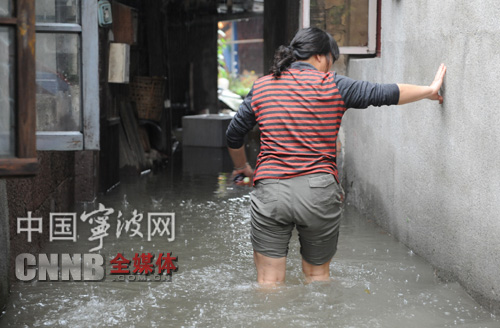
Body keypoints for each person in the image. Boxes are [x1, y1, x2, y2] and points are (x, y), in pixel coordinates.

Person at [225, 27, 446, 286]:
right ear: (320, 56)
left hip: (271, 191)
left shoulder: (262, 87)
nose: (330, 67)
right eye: (331, 59)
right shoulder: (334, 85)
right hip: (319, 192)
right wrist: (429, 90)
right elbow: (384, 93)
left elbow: (233, 133)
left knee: (269, 281)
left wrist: (243, 167)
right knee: (318, 278)